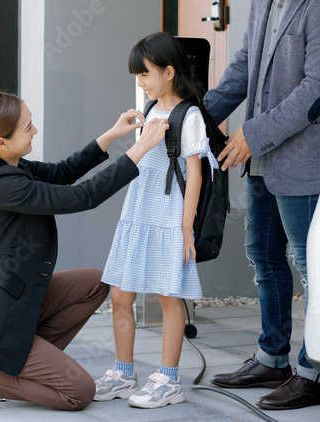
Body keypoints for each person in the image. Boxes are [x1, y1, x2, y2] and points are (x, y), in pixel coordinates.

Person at [0, 91, 169, 411]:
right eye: (27, 126)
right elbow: (81, 197)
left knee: (95, 282)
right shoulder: (2, 184)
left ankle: (7, 364)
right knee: (79, 393)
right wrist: (140, 148)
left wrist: (113, 135)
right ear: (2, 142)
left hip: (4, 304)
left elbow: (61, 173)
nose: (34, 130)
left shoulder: (2, 162)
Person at [203, 0, 320, 410]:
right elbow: (244, 65)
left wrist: (254, 133)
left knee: (315, 270)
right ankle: (272, 358)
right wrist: (196, 117)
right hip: (262, 159)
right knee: (264, 257)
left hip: (305, 159)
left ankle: (313, 373)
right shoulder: (263, 3)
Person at [93, 32, 223, 409]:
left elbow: (195, 174)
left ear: (169, 72)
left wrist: (186, 228)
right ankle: (123, 372)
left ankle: (168, 380)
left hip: (169, 215)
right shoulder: (150, 111)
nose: (140, 82)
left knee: (169, 296)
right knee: (120, 294)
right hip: (138, 210)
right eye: (137, 75)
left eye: (145, 74)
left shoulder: (190, 114)